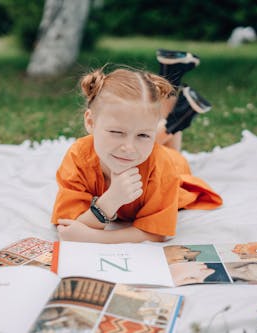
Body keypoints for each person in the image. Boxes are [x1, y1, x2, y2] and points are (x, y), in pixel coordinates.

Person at [51, 65, 222, 243]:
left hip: (173, 162)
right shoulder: (78, 156)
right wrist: (110, 201)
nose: (129, 147)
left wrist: (96, 236)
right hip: (152, 151)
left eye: (143, 135)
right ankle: (177, 107)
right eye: (117, 132)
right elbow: (69, 225)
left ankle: (177, 114)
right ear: (90, 122)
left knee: (170, 152)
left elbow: (156, 233)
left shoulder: (163, 168)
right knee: (143, 137)